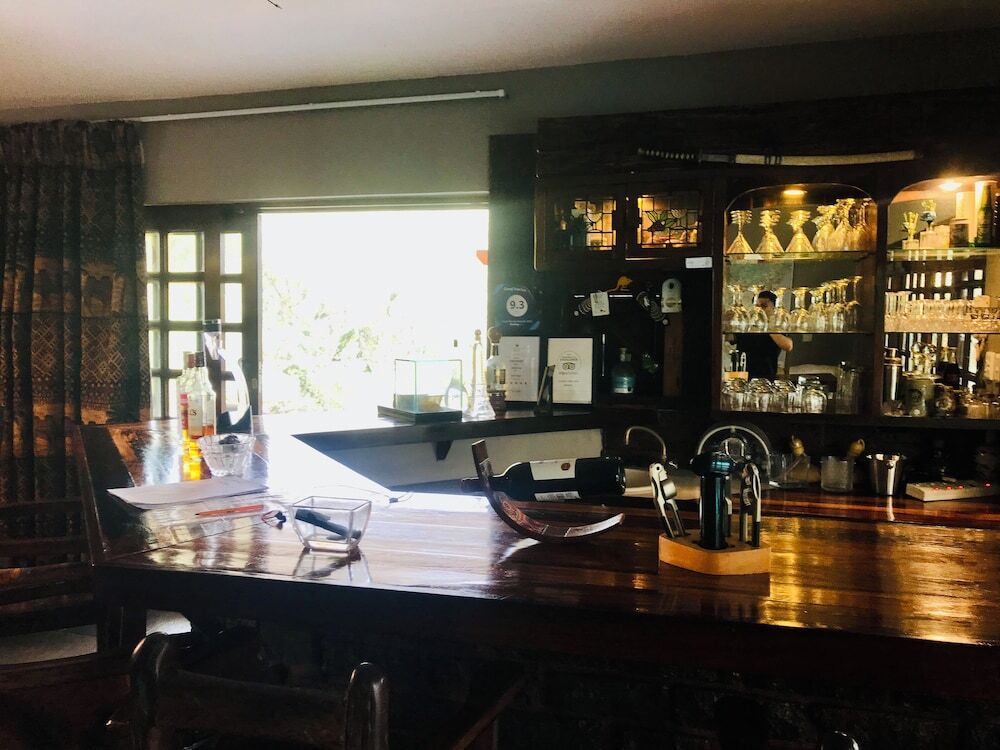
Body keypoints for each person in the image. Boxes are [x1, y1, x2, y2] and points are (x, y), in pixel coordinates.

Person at [734, 290, 793, 380]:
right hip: (741, 375)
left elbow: (788, 346)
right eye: (757, 306)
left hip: (765, 377)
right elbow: (730, 338)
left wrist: (767, 326)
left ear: (774, 309)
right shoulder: (747, 324)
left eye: (764, 306)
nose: (759, 310)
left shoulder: (776, 327)